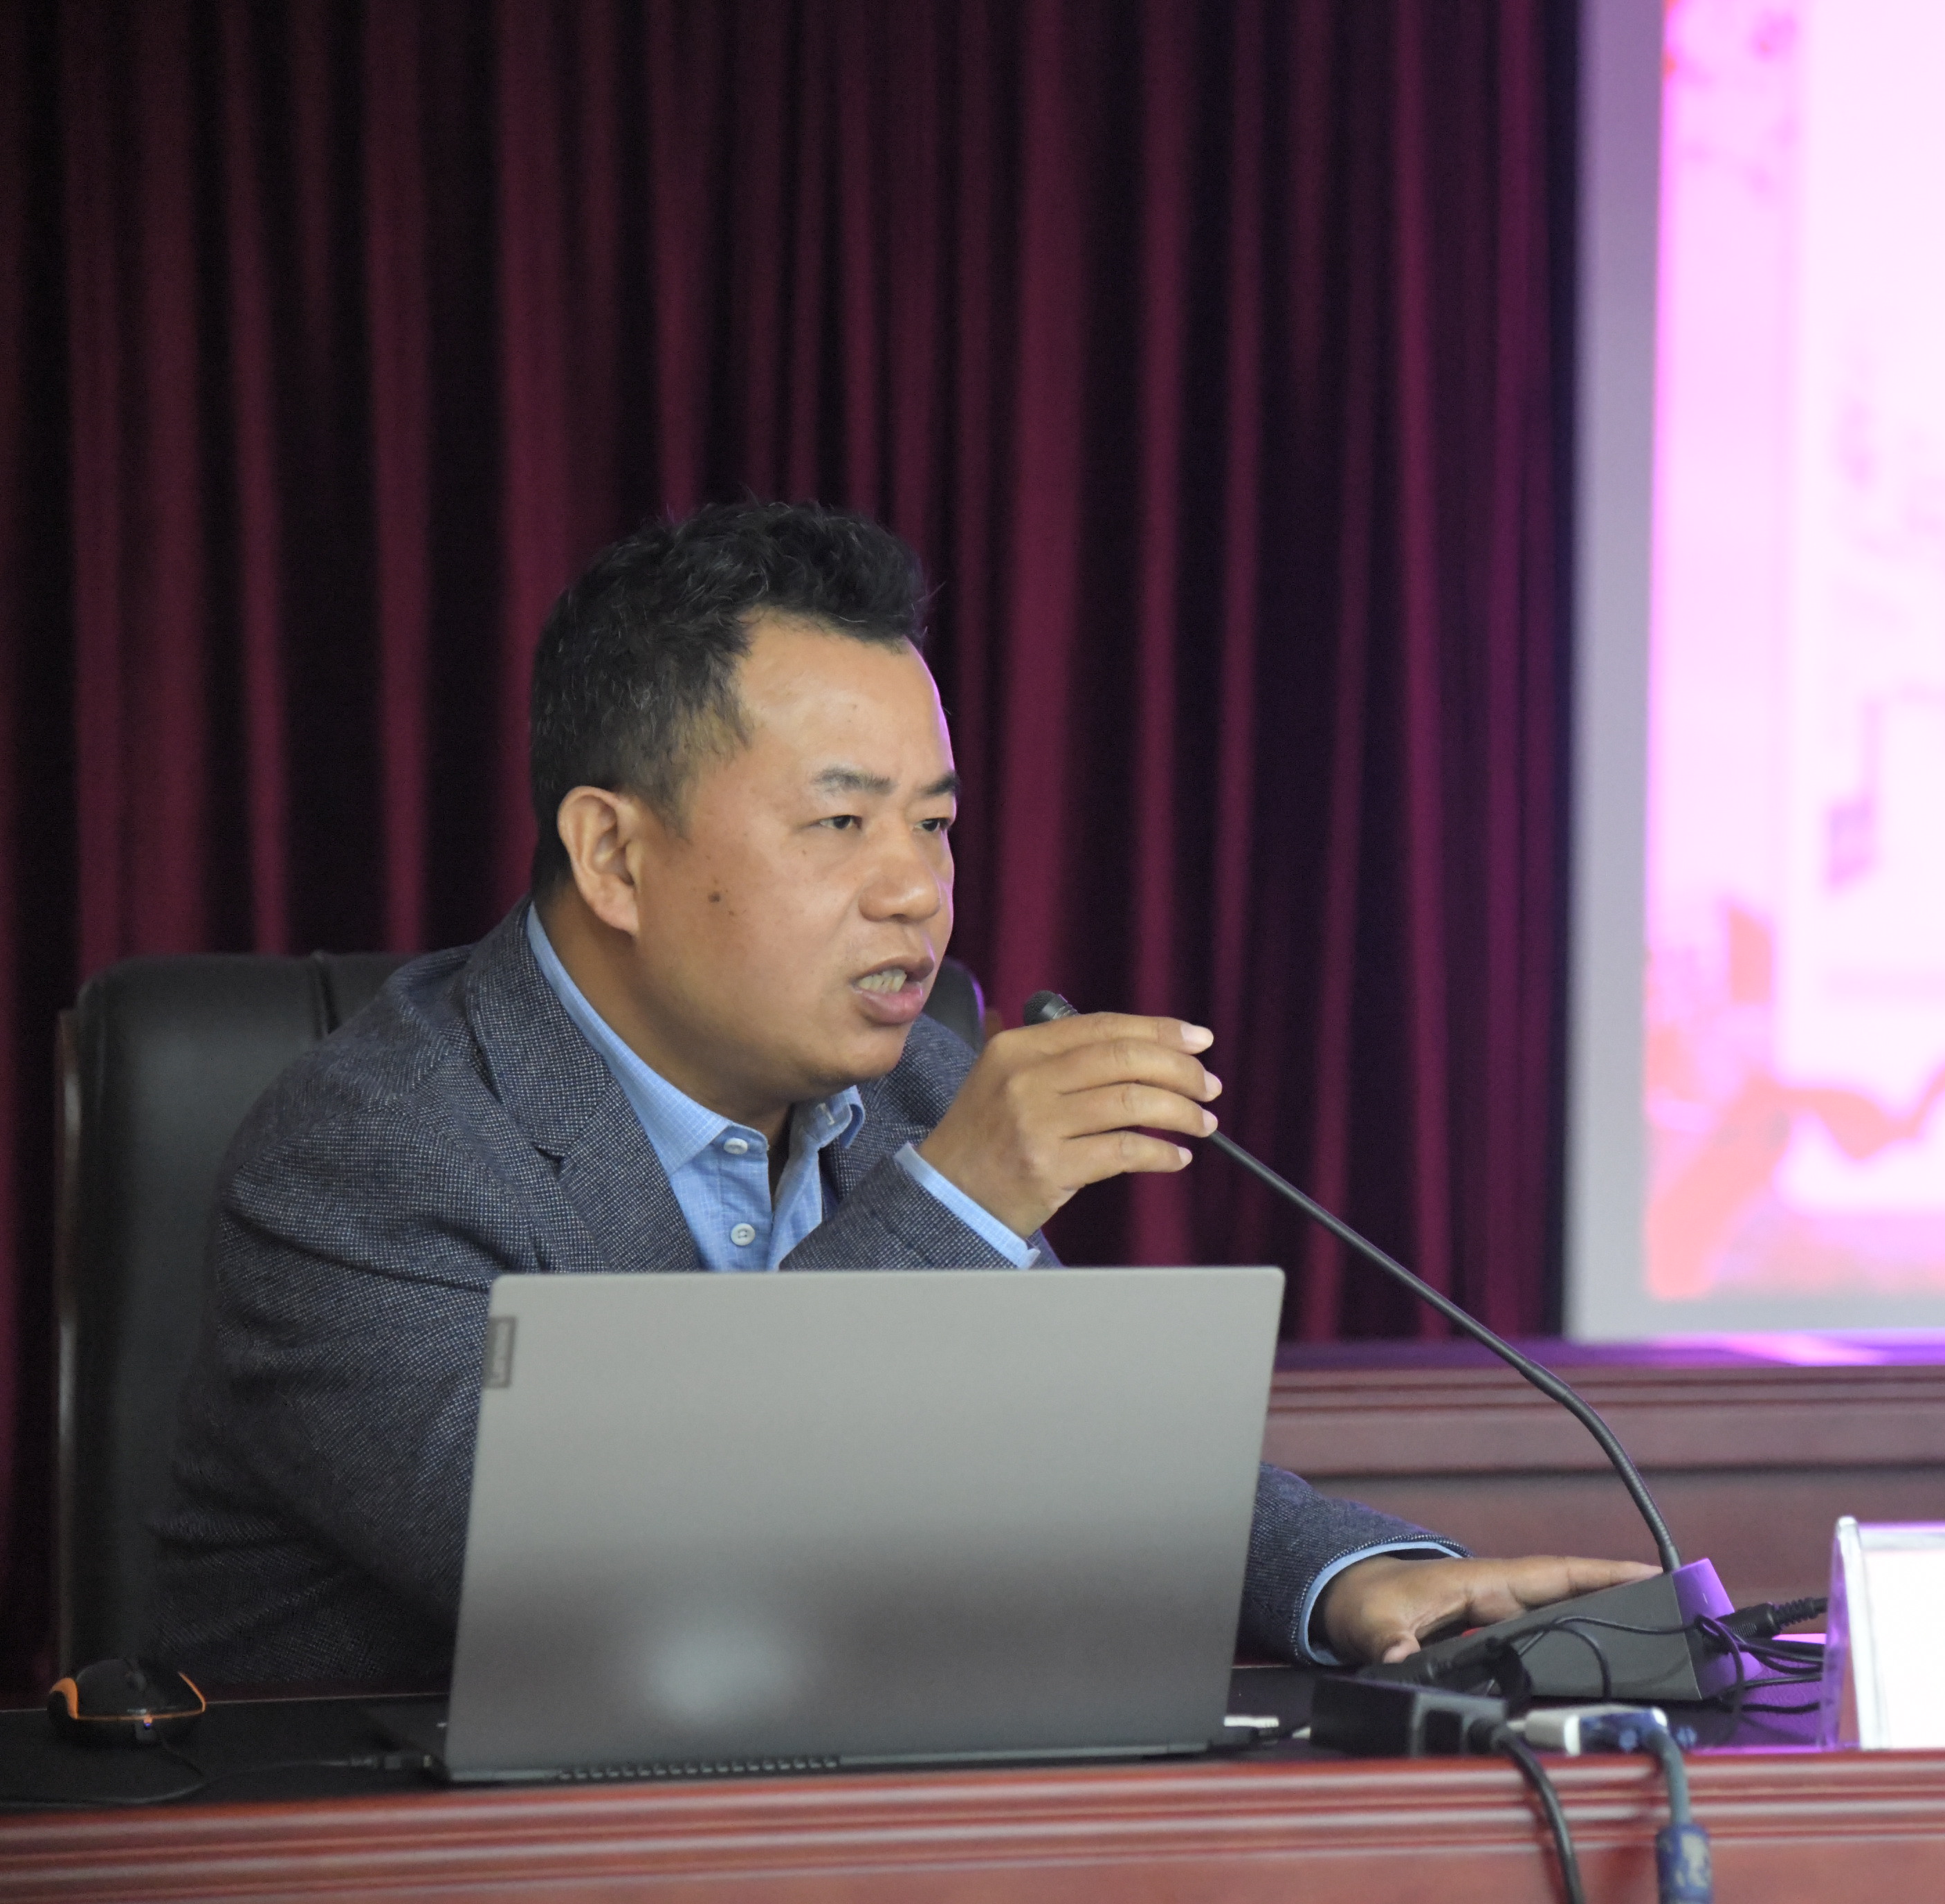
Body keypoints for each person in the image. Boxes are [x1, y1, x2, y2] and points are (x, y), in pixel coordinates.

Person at [152, 500, 1650, 1687]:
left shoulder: (922, 1079)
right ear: (614, 855)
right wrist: (954, 1205)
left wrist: (1343, 1579)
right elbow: (590, 1575)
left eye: (932, 824)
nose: (916, 892)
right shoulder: (369, 1150)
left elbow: (1063, 1447)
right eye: (841, 823)